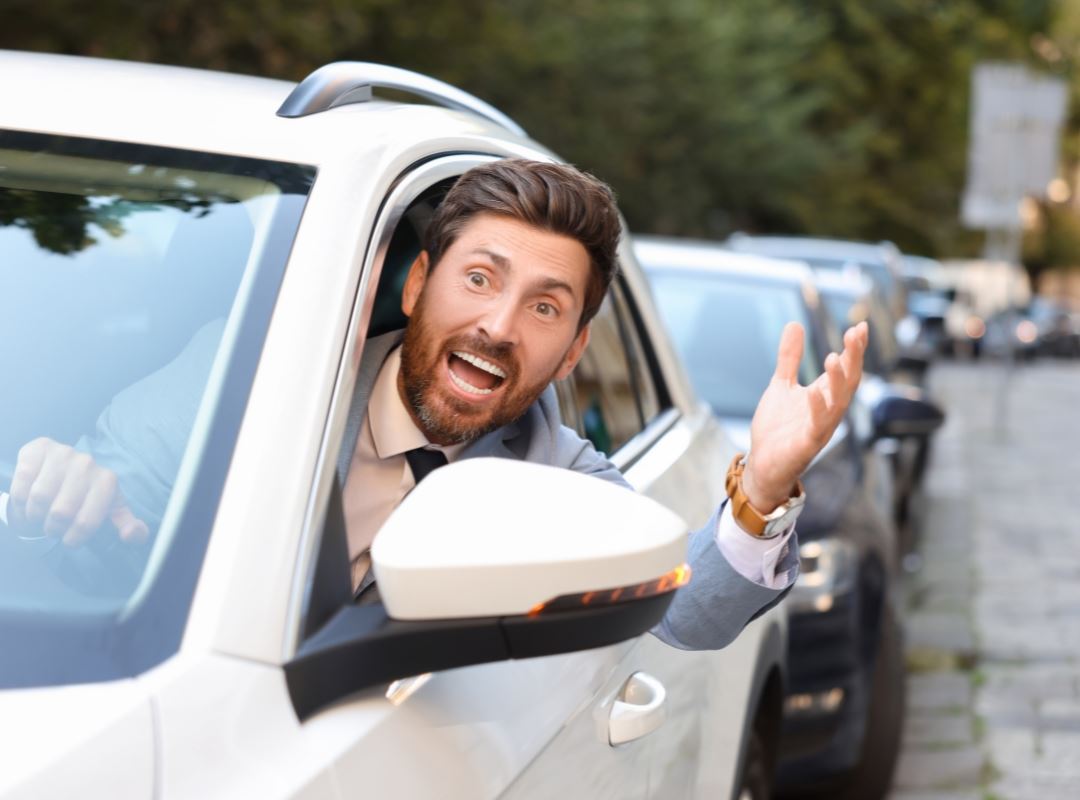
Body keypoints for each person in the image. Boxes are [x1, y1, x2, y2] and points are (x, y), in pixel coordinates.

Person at [4, 159, 867, 649]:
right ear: (418, 284)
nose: (497, 325)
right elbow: (113, 507)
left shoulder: (556, 474)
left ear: (571, 352)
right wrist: (74, 499)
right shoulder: (249, 373)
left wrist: (763, 485)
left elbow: (688, 610)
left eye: (544, 305)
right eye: (479, 279)